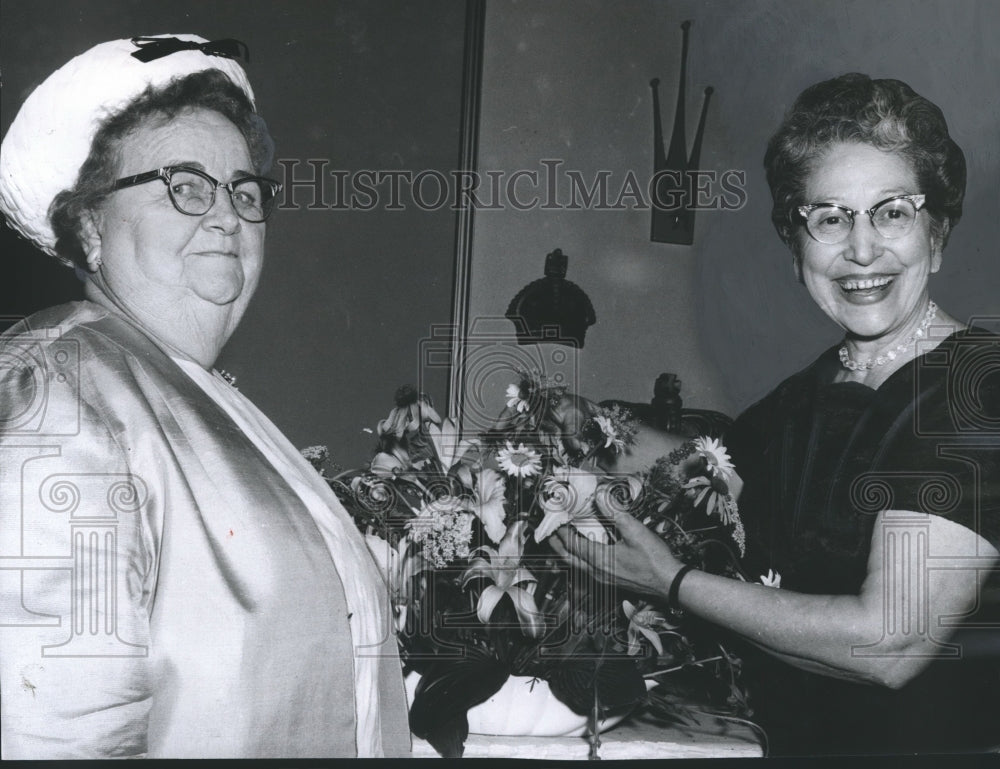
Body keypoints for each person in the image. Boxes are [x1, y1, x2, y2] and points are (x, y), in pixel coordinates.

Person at [553, 73, 1000, 755]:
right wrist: (573, 422)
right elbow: (716, 461)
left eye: (892, 212)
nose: (860, 249)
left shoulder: (977, 387)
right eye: (829, 217)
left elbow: (889, 642)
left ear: (936, 234)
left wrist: (671, 579)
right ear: (797, 253)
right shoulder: (810, 392)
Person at [0, 35, 410, 758]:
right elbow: (49, 730)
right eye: (185, 185)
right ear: (91, 226)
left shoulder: (190, 393)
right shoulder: (56, 391)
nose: (227, 216)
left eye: (244, 192)